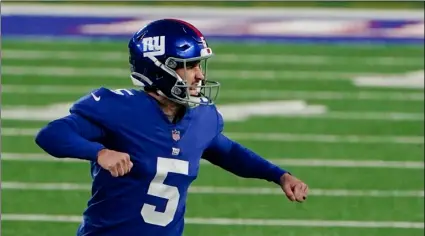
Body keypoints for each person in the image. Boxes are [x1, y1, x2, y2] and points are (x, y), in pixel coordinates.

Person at [35, 18, 309, 236]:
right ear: (157, 68)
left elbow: (227, 151)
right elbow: (52, 135)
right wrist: (98, 153)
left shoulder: (202, 116)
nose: (199, 75)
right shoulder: (119, 109)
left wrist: (279, 175)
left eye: (199, 65)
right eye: (188, 66)